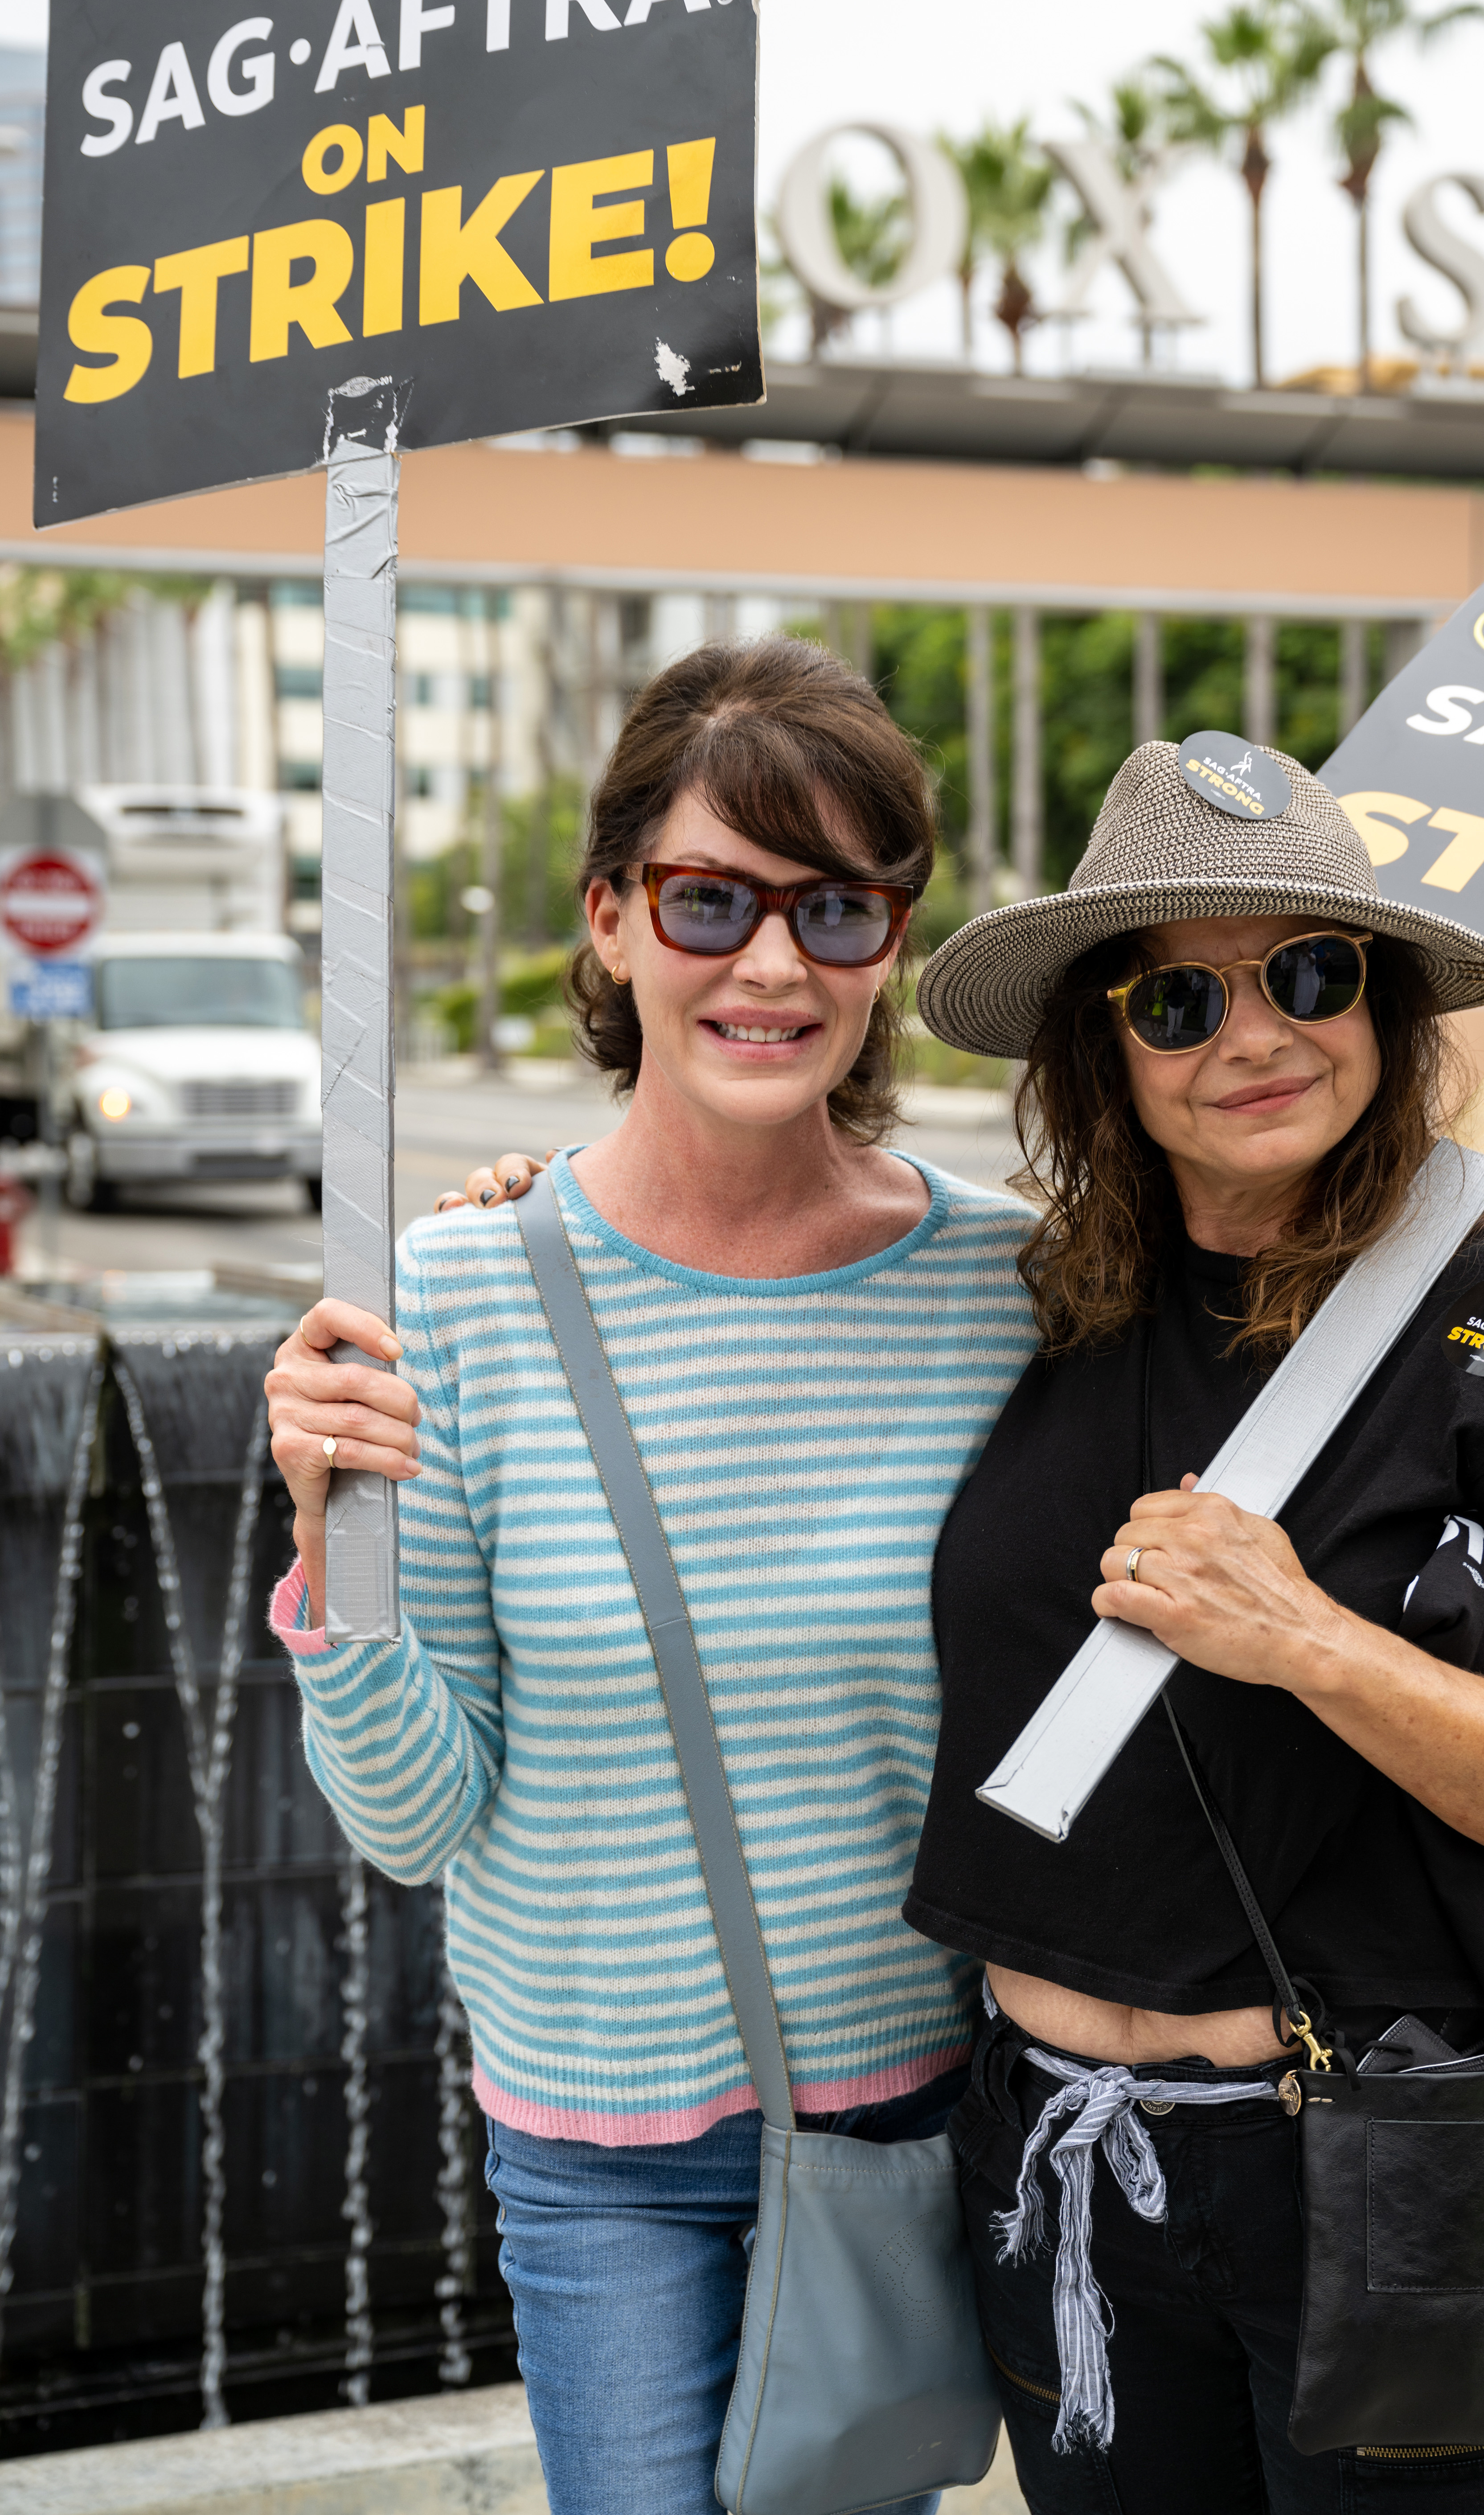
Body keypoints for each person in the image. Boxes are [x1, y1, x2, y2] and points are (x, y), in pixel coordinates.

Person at [261, 638, 1036, 2515]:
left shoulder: (1012, 1290)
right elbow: (414, 1823)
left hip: (920, 2123)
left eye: (834, 909)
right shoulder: (451, 1296)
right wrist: (325, 1551)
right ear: (609, 923)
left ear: (893, 946)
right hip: (600, 2151)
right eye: (710, 900)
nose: (771, 965)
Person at [893, 740, 1484, 2515]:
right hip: (1056, 2166)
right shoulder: (1041, 1309)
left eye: (1309, 974)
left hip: (1375, 2175)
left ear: (1387, 1003)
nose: (1253, 1034)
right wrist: (508, 1220)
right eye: (1178, 997)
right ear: (1106, 1052)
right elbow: (768, 1248)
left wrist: (1305, 1638)